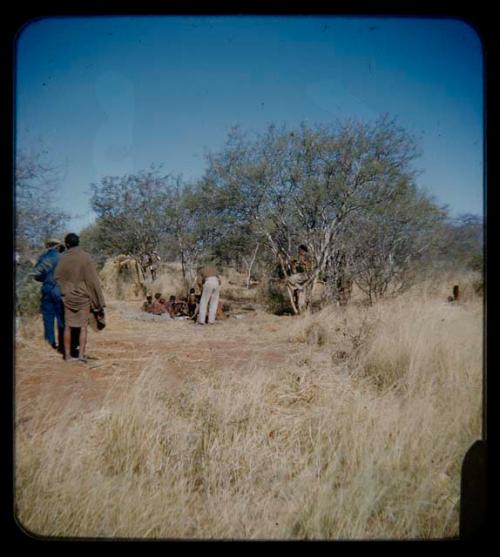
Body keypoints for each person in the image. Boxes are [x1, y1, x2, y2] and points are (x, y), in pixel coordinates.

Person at [54, 233, 106, 363]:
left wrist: (64, 290)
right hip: (83, 297)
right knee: (83, 327)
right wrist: (99, 300)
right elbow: (92, 280)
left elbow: (56, 277)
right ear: (78, 243)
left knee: (68, 326)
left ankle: (67, 356)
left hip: (67, 297)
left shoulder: (61, 258)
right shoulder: (85, 257)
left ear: (67, 244)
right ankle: (81, 356)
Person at [32, 238, 66, 353]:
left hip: (46, 288)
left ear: (48, 246)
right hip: (59, 289)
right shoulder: (62, 257)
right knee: (61, 317)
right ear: (57, 246)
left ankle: (50, 343)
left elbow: (36, 275)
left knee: (48, 317)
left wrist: (45, 279)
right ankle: (62, 344)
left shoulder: (43, 258)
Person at [287, 244, 313, 313]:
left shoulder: (305, 258)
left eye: (300, 250)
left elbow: (307, 267)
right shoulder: (300, 257)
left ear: (302, 250)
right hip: (301, 275)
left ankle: (299, 287)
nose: (299, 251)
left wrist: (299, 263)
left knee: (289, 280)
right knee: (298, 293)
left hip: (304, 275)